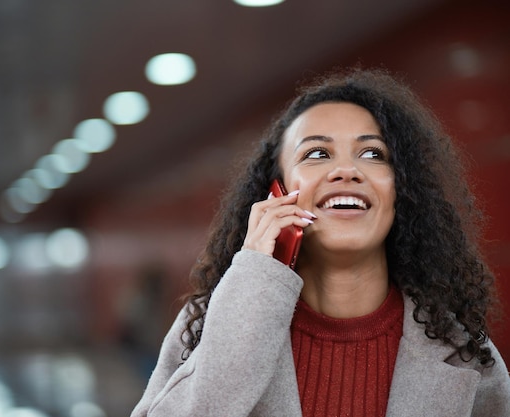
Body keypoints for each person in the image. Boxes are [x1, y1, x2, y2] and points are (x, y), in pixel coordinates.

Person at [130, 68, 510, 416]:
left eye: (373, 154)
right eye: (317, 153)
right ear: (276, 191)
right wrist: (255, 277)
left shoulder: (463, 351)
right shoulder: (208, 322)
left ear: (403, 191)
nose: (347, 170)